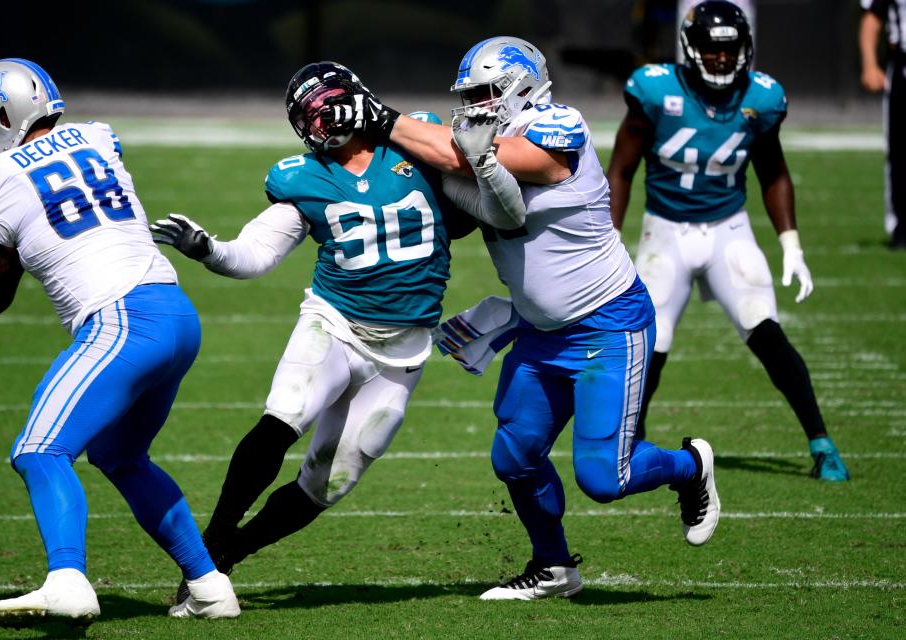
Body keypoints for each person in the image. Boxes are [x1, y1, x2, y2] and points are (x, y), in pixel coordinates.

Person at [320, 36, 721, 601]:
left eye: (485, 92)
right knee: (515, 452)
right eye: (469, 95)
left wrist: (382, 117)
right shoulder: (474, 142)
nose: (476, 105)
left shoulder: (561, 124)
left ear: (521, 85)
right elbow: (446, 173)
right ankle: (553, 568)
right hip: (538, 330)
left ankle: (689, 467)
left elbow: (496, 160)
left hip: (607, 323)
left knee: (605, 477)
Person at [150, 62, 474, 598]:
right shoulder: (300, 176)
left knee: (330, 481)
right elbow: (254, 254)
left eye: (325, 105)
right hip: (336, 324)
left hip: (405, 347)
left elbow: (472, 178)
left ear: (357, 98)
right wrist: (208, 250)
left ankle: (227, 557)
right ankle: (206, 556)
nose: (318, 122)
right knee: (284, 417)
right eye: (307, 114)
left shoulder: (418, 141)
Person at [0, 59, 240, 628]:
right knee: (119, 455)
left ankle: (68, 580)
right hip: (176, 314)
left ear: (5, 115)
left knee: (39, 450)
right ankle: (208, 584)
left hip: (123, 320)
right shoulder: (100, 138)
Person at [606, 1, 850, 481]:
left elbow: (773, 172)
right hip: (666, 230)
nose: (721, 59)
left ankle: (821, 443)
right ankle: (630, 440)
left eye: (730, 48)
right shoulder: (656, 91)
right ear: (691, 48)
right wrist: (611, 236)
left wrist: (791, 244)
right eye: (711, 49)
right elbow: (621, 169)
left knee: (765, 329)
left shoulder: (761, 99)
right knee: (651, 340)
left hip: (728, 229)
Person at [859, 0, 906, 249]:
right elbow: (872, 16)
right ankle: (901, 226)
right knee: (899, 152)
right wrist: (869, 63)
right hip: (901, 67)